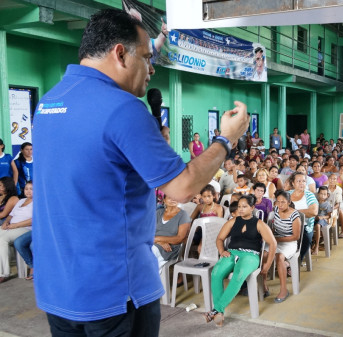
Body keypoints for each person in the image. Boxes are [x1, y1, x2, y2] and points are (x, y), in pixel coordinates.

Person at [32, 9, 249, 336]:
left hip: (58, 290)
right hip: (114, 293)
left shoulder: (48, 103)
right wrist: (226, 139)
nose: (151, 69)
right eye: (148, 58)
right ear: (120, 53)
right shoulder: (122, 108)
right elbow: (182, 187)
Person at [201, 195, 277, 326]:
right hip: (231, 253)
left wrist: (267, 265)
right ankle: (219, 313)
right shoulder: (232, 221)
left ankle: (215, 310)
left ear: (252, 208)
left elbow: (273, 244)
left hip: (251, 256)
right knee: (216, 273)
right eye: (239, 207)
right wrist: (221, 251)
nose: (241, 209)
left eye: (244, 207)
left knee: (239, 274)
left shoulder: (259, 224)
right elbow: (219, 239)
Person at [262, 190, 301, 302]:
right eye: (278, 202)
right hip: (276, 240)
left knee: (280, 257)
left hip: (289, 242)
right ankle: (264, 286)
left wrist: (276, 239)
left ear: (289, 202)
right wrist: (271, 237)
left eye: (283, 202)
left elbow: (295, 237)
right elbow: (275, 228)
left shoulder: (295, 215)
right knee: (264, 254)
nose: (280, 204)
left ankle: (284, 289)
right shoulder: (276, 210)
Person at [0, 180, 33, 282]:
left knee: (2, 239)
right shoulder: (21, 201)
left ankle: (3, 273)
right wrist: (6, 222)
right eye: (26, 189)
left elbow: (34, 219)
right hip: (11, 226)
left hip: (25, 228)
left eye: (31, 189)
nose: (28, 191)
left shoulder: (38, 203)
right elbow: (11, 215)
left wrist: (16, 225)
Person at [152, 195, 190, 272]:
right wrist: (159, 242)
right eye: (169, 197)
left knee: (148, 252)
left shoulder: (183, 215)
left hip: (170, 248)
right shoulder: (158, 213)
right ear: (164, 200)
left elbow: (180, 238)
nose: (173, 199)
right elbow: (149, 232)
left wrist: (157, 239)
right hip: (155, 243)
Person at [288, 171, 318, 262]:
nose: (302, 183)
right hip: (287, 224)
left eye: (304, 181)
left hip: (304, 226)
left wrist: (293, 213)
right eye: (298, 181)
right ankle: (282, 260)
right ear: (293, 183)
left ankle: (296, 262)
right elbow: (279, 208)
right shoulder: (287, 194)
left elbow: (313, 212)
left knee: (304, 238)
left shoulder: (309, 195)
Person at [313, 186, 333, 255]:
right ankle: (311, 245)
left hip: (323, 220)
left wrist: (322, 217)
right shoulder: (315, 202)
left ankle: (317, 246)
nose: (322, 196)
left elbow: (329, 216)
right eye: (321, 194)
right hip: (314, 218)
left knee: (318, 226)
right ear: (318, 194)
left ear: (327, 195)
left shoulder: (327, 204)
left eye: (324, 194)